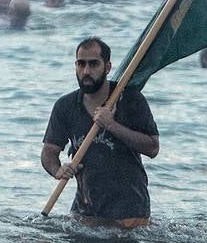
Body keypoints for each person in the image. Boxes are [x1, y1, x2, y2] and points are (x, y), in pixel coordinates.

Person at [40, 37, 159, 228]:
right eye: (81, 64)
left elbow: (153, 148)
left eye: (94, 64)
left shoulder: (130, 100)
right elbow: (49, 152)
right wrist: (57, 170)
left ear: (107, 67)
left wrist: (111, 125)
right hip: (85, 212)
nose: (86, 71)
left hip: (131, 213)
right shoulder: (65, 106)